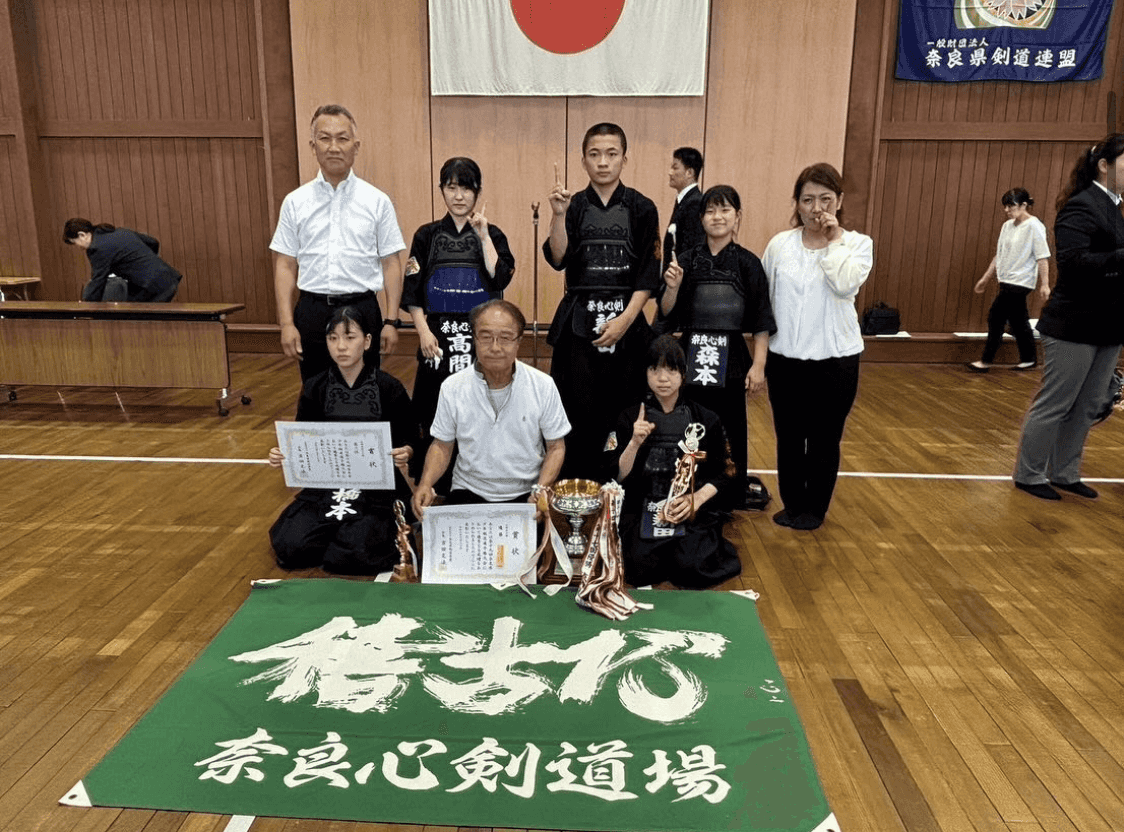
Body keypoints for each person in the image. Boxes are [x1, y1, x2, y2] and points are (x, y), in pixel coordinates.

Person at [544, 122, 660, 479]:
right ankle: (575, 484)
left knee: (626, 404)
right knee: (575, 405)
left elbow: (648, 271)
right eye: (594, 154)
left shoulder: (642, 207)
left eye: (612, 154)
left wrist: (626, 320)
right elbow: (559, 258)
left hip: (628, 318)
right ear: (583, 161)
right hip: (579, 319)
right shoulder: (574, 205)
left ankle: (621, 483)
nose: (603, 162)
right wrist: (558, 214)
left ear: (625, 158)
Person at [762, 163, 874, 531]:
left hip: (836, 361)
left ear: (839, 201)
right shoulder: (780, 245)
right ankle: (793, 503)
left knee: (825, 438)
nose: (816, 209)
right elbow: (765, 298)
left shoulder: (857, 244)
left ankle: (815, 509)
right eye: (808, 200)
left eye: (825, 199)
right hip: (785, 359)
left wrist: (834, 239)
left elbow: (844, 284)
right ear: (797, 203)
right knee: (789, 437)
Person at [267, 305, 419, 574]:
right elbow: (303, 437)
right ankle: (334, 536)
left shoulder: (388, 387)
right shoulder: (315, 387)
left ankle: (343, 539)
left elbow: (411, 437)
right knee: (292, 546)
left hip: (376, 489)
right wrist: (284, 455)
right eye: (333, 338)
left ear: (367, 341)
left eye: (350, 337)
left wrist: (406, 450)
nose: (341, 346)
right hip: (327, 485)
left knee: (355, 552)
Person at [1013, 135, 1124, 501]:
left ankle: (1064, 472)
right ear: (1104, 166)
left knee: (1089, 404)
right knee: (1057, 403)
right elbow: (1074, 264)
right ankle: (1029, 474)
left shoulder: (1115, 206)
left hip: (1109, 324)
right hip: (1075, 323)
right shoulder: (1082, 205)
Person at [659, 185, 776, 508]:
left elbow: (761, 320)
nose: (717, 217)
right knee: (690, 424)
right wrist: (672, 287)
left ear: (738, 217)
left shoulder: (749, 263)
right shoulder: (685, 260)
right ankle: (686, 487)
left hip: (732, 357)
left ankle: (729, 492)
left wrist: (759, 366)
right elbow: (666, 312)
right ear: (701, 219)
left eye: (725, 210)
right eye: (710, 211)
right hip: (692, 354)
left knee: (730, 427)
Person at [270, 104, 406, 381]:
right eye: (325, 138)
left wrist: (391, 321)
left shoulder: (377, 201)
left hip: (362, 309)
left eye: (342, 138)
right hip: (312, 311)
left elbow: (391, 264)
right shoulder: (295, 202)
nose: (333, 147)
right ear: (313, 146)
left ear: (356, 146)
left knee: (364, 391)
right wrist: (286, 324)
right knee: (315, 389)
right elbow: (285, 265)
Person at [411, 299, 570, 518]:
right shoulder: (452, 386)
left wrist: (541, 489)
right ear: (474, 339)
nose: (495, 347)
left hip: (526, 492)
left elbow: (556, 447)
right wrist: (425, 484)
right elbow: (442, 445)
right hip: (468, 491)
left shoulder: (542, 385)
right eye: (486, 337)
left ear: (518, 341)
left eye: (505, 338)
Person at [605, 335, 740, 588]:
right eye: (654, 369)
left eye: (671, 369)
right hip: (642, 507)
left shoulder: (706, 418)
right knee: (639, 566)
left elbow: (727, 472)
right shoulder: (629, 418)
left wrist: (696, 499)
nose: (663, 378)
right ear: (645, 373)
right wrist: (634, 442)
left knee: (691, 566)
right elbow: (617, 476)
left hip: (690, 508)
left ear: (683, 373)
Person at [402, 157, 516, 436]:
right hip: (437, 334)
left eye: (466, 188)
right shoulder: (426, 235)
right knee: (435, 410)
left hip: (481, 335)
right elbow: (413, 290)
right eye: (451, 188)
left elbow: (500, 277)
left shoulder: (493, 234)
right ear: (441, 190)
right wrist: (423, 333)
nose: (459, 196)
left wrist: (484, 237)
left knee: (481, 410)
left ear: (478, 192)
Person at [967, 187, 1051, 372]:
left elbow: (1042, 257)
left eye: (1011, 206)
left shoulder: (1035, 226)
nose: (1007, 210)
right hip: (1006, 280)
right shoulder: (1007, 226)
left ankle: (986, 361)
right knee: (1018, 320)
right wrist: (985, 278)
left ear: (1023, 205)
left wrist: (1045, 284)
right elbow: (999, 255)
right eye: (1005, 206)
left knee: (995, 317)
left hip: (1021, 282)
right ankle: (1029, 359)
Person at [64, 219, 182, 302]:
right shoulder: (118, 232)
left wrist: (86, 306)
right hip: (166, 278)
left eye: (75, 242)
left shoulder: (97, 249)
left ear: (82, 235)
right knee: (133, 314)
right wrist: (146, 262)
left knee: (141, 323)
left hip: (153, 286)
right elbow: (153, 242)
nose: (79, 247)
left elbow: (98, 281)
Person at [662, 146, 705, 273]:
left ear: (689, 173)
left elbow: (691, 249)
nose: (670, 172)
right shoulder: (685, 200)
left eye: (675, 168)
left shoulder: (695, 203)